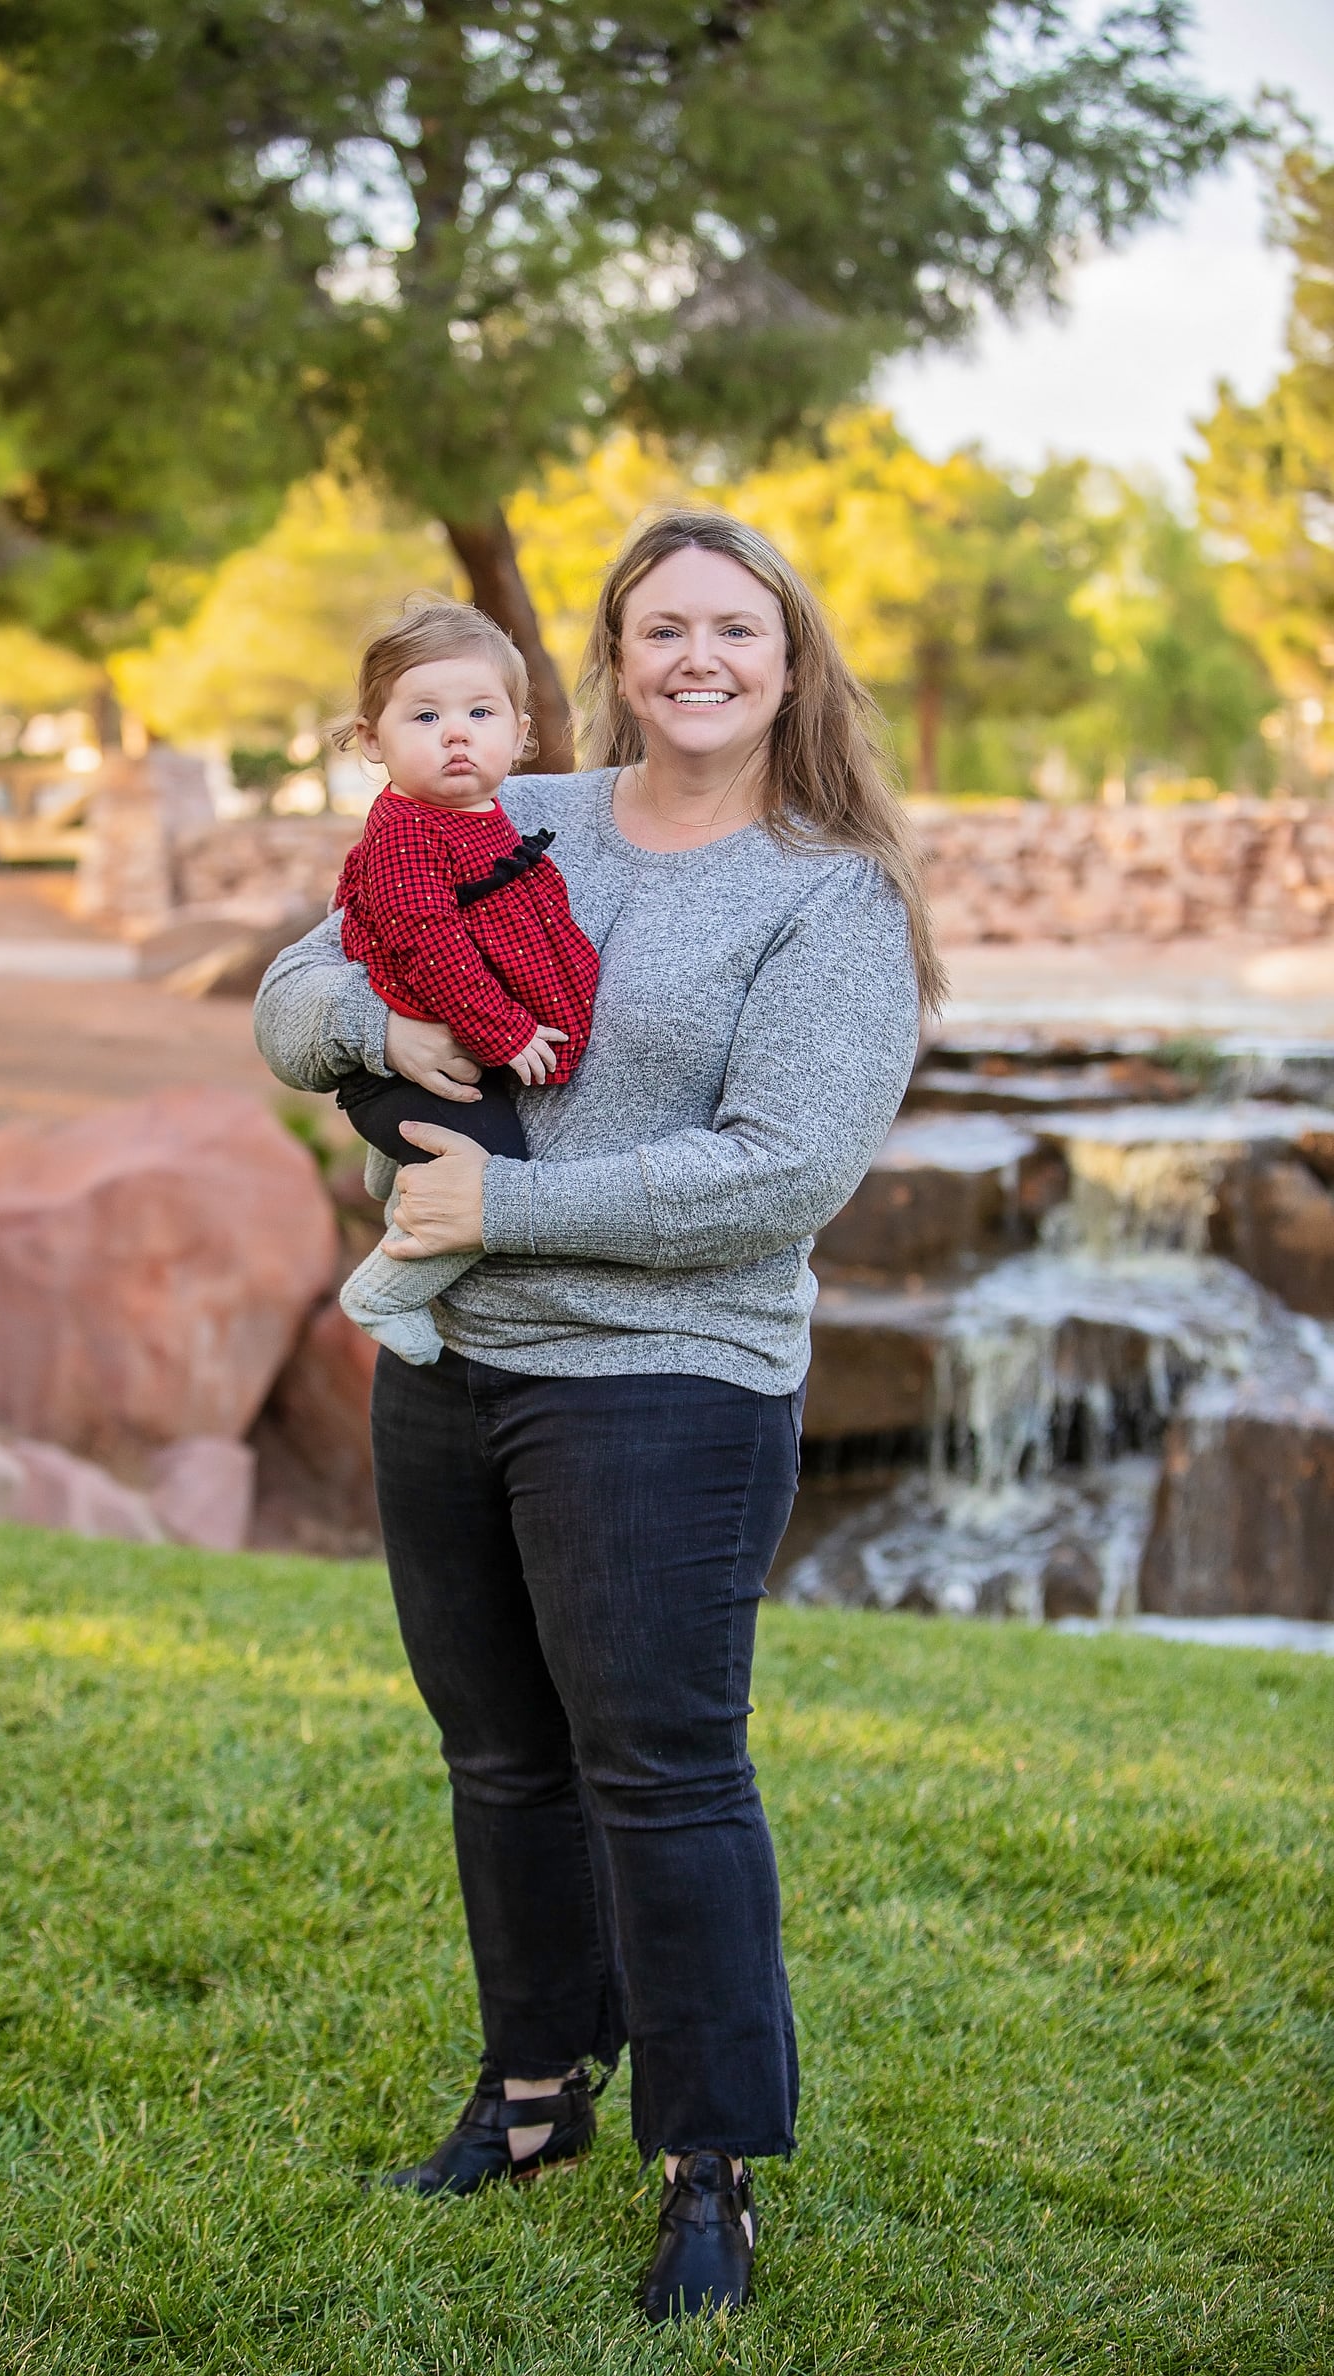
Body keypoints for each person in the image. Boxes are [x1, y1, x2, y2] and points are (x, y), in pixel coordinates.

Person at [254, 511, 946, 2325]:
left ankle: (704, 2165)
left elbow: (780, 1171)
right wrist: (371, 1030)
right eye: (659, 630)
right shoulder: (508, 810)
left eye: (733, 628)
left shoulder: (827, 892)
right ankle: (535, 2093)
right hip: (451, 1369)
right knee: (498, 1755)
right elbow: (290, 985)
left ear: (789, 661)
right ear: (613, 658)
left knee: (659, 1766)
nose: (694, 658)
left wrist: (508, 1206)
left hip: (665, 1383)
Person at [329, 603, 599, 1365]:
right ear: (372, 740)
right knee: (490, 1179)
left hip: (449, 1066)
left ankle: (393, 1188)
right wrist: (504, 1031)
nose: (455, 733)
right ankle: (385, 1290)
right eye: (424, 716)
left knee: (467, 1173)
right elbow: (430, 944)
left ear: (518, 735)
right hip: (411, 1077)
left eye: (480, 712)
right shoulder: (407, 832)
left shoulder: (484, 816)